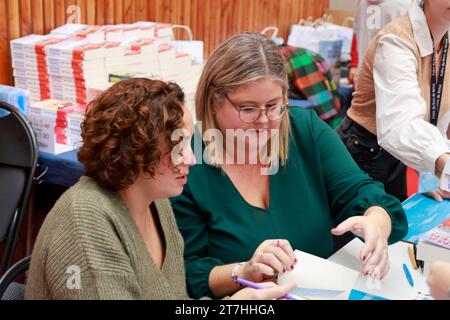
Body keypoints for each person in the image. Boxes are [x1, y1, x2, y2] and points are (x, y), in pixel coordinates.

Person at [171, 32, 408, 299]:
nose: (264, 121)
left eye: (274, 106)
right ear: (214, 101)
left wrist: (376, 221)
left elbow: (362, 193)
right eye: (248, 109)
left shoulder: (305, 131)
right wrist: (245, 272)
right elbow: (187, 273)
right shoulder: (188, 162)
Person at [25, 78, 294, 300]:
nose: (191, 158)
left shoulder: (157, 202)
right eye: (178, 146)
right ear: (137, 151)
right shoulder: (85, 220)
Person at [337, 0, 450, 201]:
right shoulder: (396, 40)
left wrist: (432, 172)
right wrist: (440, 164)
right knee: (363, 229)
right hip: (363, 150)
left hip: (402, 155)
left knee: (401, 221)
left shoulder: (445, 38)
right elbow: (398, 124)